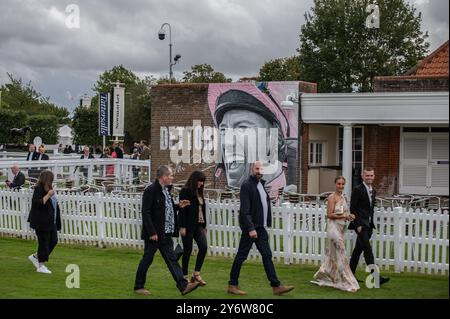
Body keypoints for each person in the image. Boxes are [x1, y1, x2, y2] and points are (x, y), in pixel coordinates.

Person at [227, 161, 294, 296]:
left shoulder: (261, 185)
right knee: (241, 256)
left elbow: (264, 206)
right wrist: (251, 228)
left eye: (261, 169)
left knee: (267, 255)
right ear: (252, 169)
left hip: (260, 227)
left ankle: (276, 286)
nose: (259, 171)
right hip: (251, 228)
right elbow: (244, 210)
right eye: (257, 168)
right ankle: (232, 285)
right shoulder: (247, 185)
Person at [134, 165, 199, 296]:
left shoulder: (166, 190)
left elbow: (165, 209)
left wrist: (178, 206)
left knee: (172, 260)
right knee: (147, 259)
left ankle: (183, 286)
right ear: (163, 177)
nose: (172, 177)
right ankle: (138, 286)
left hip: (166, 233)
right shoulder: (151, 190)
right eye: (170, 175)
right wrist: (152, 232)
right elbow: (146, 213)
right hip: (155, 234)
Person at [311, 176, 359, 292]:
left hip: (341, 228)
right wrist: (344, 216)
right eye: (339, 184)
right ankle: (346, 281)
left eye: (343, 184)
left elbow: (345, 213)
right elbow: (329, 215)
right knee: (342, 255)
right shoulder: (332, 197)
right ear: (335, 184)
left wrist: (350, 216)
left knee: (334, 255)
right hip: (333, 229)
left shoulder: (344, 198)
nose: (341, 186)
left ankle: (327, 275)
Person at [349, 167, 390, 285]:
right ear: (363, 176)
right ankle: (376, 277)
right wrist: (357, 225)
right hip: (361, 226)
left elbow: (370, 209)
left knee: (357, 251)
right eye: (367, 175)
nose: (369, 178)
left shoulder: (374, 190)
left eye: (371, 175)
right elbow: (353, 208)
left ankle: (350, 275)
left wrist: (370, 224)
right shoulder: (357, 189)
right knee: (368, 250)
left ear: (374, 176)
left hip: (369, 226)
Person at [27, 170, 61, 274]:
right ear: (47, 179)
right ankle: (41, 266)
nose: (53, 181)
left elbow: (54, 205)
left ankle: (36, 257)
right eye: (51, 179)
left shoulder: (50, 188)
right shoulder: (38, 189)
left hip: (52, 221)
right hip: (41, 222)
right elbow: (37, 204)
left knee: (53, 241)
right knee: (44, 243)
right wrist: (48, 195)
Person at [178, 171, 208, 286]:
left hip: (199, 225)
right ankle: (184, 275)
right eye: (200, 181)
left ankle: (196, 273)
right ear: (194, 180)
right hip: (188, 225)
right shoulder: (185, 191)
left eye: (203, 182)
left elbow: (202, 210)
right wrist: (182, 226)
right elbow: (182, 209)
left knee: (204, 247)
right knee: (188, 250)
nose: (201, 184)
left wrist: (204, 226)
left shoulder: (200, 192)